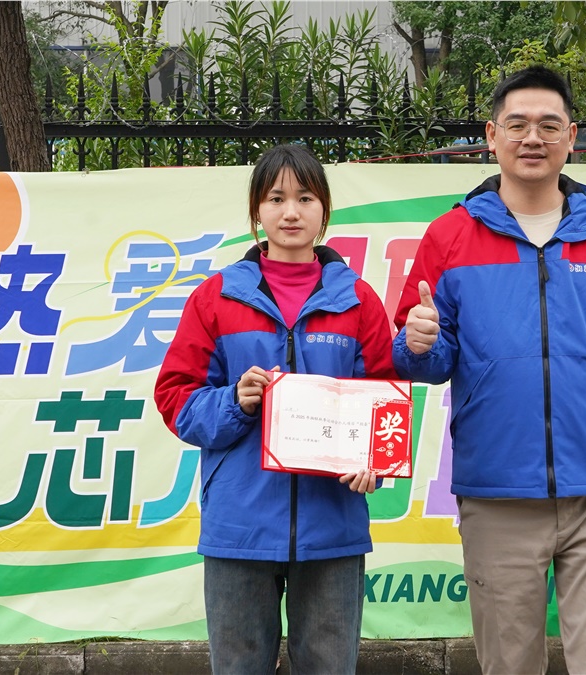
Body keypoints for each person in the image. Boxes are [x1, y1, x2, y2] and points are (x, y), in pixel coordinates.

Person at [393, 66, 586, 675]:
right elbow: (428, 358)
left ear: (571, 137)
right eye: (517, 124)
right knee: (509, 666)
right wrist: (418, 343)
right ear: (491, 135)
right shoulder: (450, 236)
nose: (532, 138)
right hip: (497, 491)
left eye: (549, 126)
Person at [155, 144, 394, 675]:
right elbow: (175, 396)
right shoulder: (216, 297)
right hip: (239, 527)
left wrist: (374, 463)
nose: (291, 212)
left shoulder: (358, 300)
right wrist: (234, 402)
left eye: (305, 198)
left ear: (324, 210)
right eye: (276, 198)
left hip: (332, 528)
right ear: (256, 212)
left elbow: (384, 400)